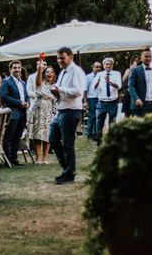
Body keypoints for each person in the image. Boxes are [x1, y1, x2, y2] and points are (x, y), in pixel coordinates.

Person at [49, 47, 86, 184]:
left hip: (71, 111)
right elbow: (60, 90)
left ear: (70, 57)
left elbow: (78, 91)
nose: (59, 60)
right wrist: (55, 91)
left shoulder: (76, 71)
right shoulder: (63, 72)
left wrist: (60, 89)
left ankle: (69, 174)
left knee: (67, 144)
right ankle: (68, 170)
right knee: (53, 139)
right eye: (58, 58)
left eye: (62, 58)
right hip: (61, 110)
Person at [0, 60, 30, 167]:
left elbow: (26, 96)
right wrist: (19, 102)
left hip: (22, 113)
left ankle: (14, 159)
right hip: (12, 113)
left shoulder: (23, 83)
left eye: (18, 67)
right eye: (15, 68)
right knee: (9, 137)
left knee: (17, 136)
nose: (17, 69)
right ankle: (8, 161)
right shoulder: (6, 81)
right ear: (10, 69)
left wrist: (27, 103)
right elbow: (3, 97)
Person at [28, 63, 57, 164]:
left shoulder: (55, 86)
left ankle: (46, 157)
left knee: (47, 135)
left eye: (51, 72)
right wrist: (40, 69)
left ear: (54, 74)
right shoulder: (40, 83)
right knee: (38, 134)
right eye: (47, 72)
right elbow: (37, 81)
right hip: (39, 110)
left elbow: (57, 100)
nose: (49, 73)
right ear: (44, 74)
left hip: (50, 111)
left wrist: (55, 112)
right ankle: (38, 157)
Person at [93, 57, 122, 144]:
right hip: (101, 103)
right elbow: (93, 87)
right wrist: (97, 82)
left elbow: (119, 86)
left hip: (113, 102)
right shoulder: (99, 74)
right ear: (104, 65)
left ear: (112, 65)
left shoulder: (117, 74)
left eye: (110, 64)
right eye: (107, 64)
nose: (108, 65)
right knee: (99, 123)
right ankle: (99, 141)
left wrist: (110, 83)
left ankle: (111, 141)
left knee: (112, 123)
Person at [128, 49, 152, 117]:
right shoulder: (135, 70)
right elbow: (131, 86)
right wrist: (136, 99)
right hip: (140, 105)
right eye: (146, 56)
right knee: (139, 127)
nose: (148, 58)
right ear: (141, 58)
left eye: (150, 56)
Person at [83, 62, 102, 141]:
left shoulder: (102, 76)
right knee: (92, 116)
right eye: (96, 67)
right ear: (93, 67)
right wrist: (85, 101)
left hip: (101, 98)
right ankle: (89, 135)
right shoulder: (88, 77)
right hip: (92, 98)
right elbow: (85, 90)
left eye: (100, 67)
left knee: (99, 117)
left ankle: (96, 134)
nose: (98, 69)